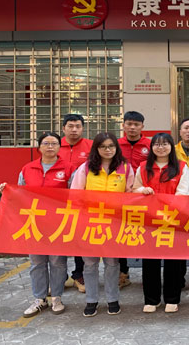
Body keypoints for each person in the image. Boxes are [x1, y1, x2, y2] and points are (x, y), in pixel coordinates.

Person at [0, 132, 75, 318]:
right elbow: (20, 193)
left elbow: (75, 195)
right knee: (37, 262)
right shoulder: (27, 169)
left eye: (54, 143)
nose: (50, 147)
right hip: (34, 223)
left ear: (60, 147)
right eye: (46, 143)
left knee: (57, 262)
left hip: (58, 223)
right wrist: (7, 191)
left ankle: (56, 297)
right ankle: (39, 299)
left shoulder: (69, 168)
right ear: (39, 147)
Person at [70, 132, 135, 317]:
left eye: (111, 146)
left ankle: (113, 299)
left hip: (114, 223)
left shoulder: (125, 168)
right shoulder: (86, 167)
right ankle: (91, 300)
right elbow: (75, 194)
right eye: (103, 147)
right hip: (90, 222)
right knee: (90, 264)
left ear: (116, 147)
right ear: (96, 149)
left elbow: (131, 194)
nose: (108, 150)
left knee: (112, 263)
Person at [133, 133, 189, 314]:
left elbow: (183, 194)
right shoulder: (143, 167)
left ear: (171, 147)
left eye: (165, 144)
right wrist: (142, 190)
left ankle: (172, 299)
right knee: (150, 262)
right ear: (151, 148)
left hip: (173, 221)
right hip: (149, 222)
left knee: (173, 262)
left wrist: (168, 212)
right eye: (157, 144)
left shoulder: (181, 167)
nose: (161, 147)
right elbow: (134, 189)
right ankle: (152, 299)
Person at [57, 113, 93, 293]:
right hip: (56, 202)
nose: (74, 130)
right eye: (70, 126)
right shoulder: (55, 145)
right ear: (63, 128)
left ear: (83, 128)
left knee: (80, 238)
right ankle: (59, 277)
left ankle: (79, 274)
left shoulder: (91, 146)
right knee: (59, 238)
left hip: (82, 202)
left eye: (78, 126)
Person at [117, 110, 150, 290]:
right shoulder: (115, 144)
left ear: (142, 126)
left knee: (145, 235)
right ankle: (123, 272)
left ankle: (148, 273)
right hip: (121, 196)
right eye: (129, 124)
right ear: (123, 125)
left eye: (136, 124)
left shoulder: (150, 145)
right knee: (122, 234)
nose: (132, 128)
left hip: (144, 196)